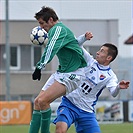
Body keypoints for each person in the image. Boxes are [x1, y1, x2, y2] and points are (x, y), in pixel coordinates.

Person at [29, 6, 93, 133]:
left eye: (42, 23)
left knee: (43, 101)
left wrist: (39, 67)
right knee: (37, 102)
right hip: (62, 72)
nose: (41, 27)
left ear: (51, 20)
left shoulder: (58, 29)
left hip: (73, 74)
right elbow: (74, 42)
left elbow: (50, 49)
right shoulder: (59, 30)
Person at [53, 35, 130, 133]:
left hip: (86, 112)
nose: (98, 52)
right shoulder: (89, 60)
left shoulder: (110, 76)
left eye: (102, 51)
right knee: (60, 130)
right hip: (69, 104)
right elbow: (77, 44)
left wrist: (118, 87)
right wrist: (84, 37)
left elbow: (113, 93)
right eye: (99, 50)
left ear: (109, 57)